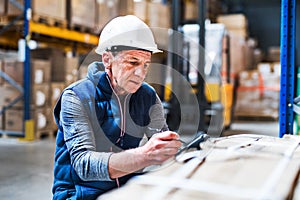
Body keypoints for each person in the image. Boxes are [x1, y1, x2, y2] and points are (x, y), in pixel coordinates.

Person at [52, 15, 182, 200]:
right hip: (80, 192)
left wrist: (170, 147)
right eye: (133, 62)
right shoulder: (77, 97)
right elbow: (84, 166)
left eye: (146, 65)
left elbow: (160, 140)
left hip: (126, 190)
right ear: (107, 59)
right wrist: (145, 154)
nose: (141, 73)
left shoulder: (148, 96)